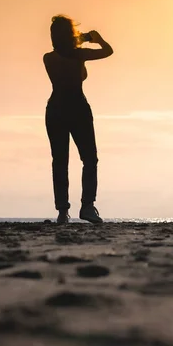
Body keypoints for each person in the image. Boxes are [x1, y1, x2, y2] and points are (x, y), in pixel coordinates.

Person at [43, 15, 113, 224]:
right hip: (77, 107)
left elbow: (69, 59)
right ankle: (87, 206)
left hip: (55, 108)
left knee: (60, 161)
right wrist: (96, 38)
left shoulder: (49, 58)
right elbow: (108, 51)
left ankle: (63, 211)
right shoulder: (78, 55)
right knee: (89, 158)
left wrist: (77, 41)